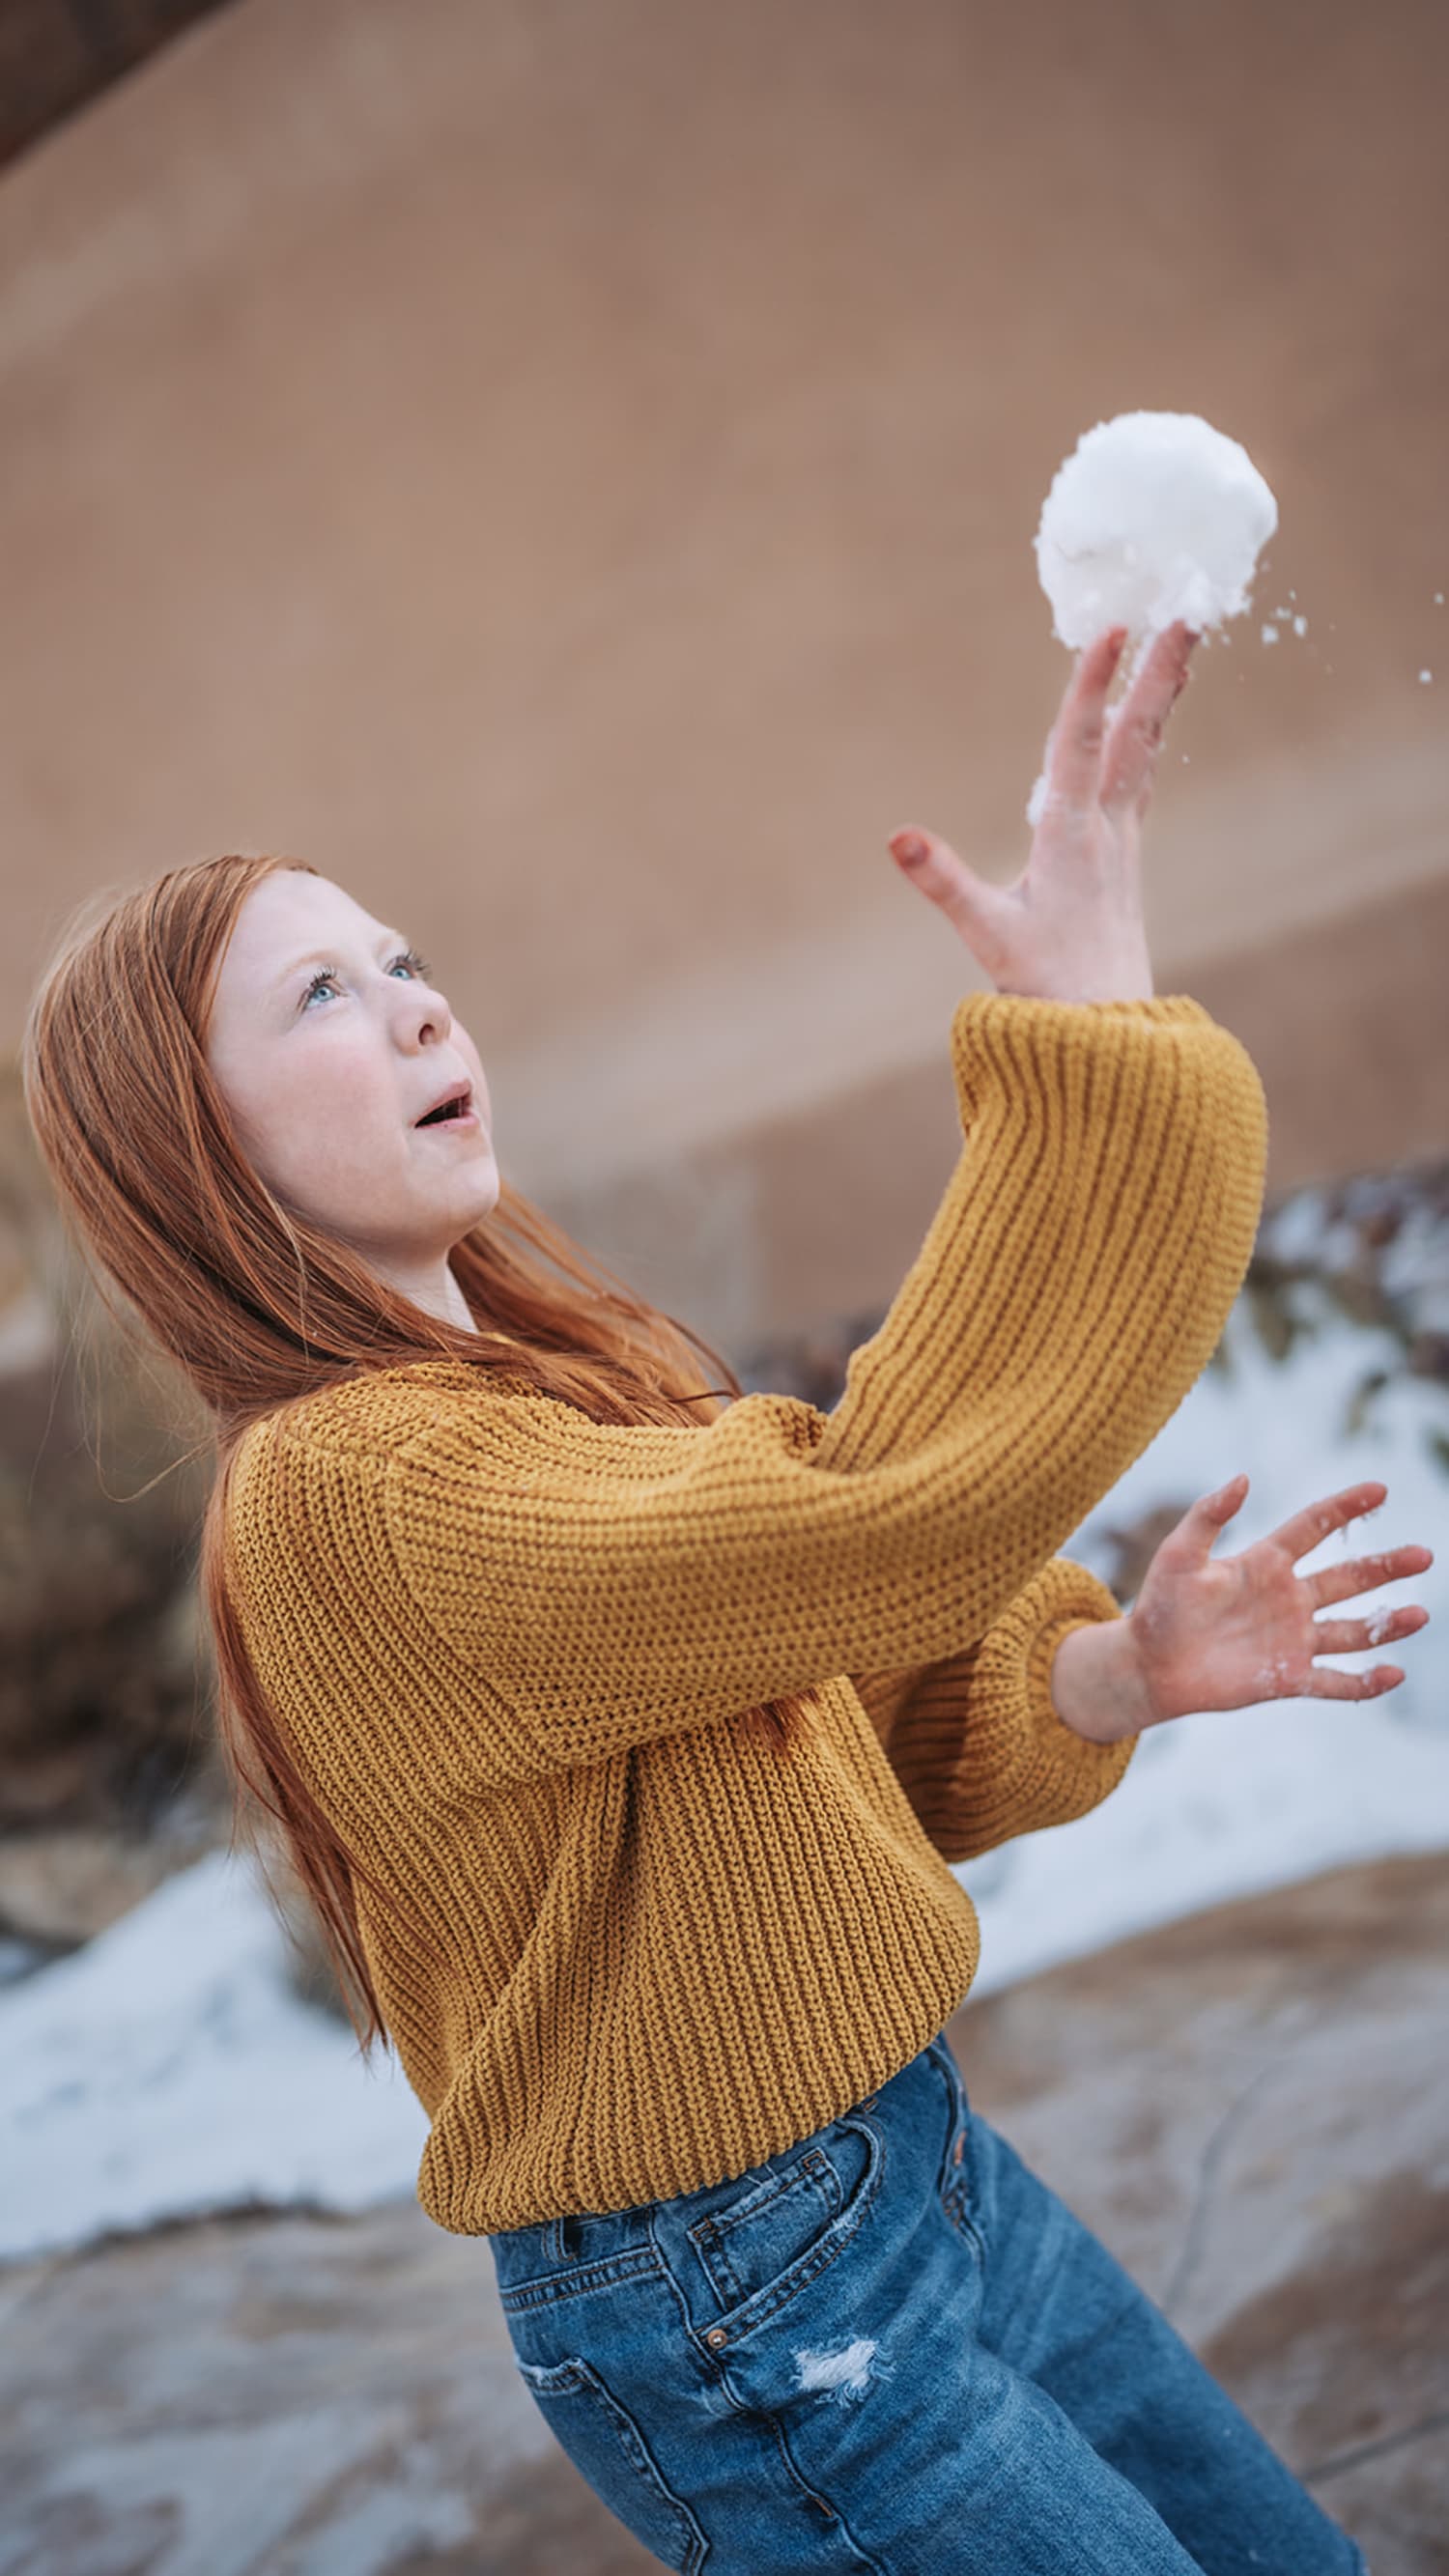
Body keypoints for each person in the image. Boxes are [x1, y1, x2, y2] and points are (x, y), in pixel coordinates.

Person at [22, 620, 1426, 2573]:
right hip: (753, 2306)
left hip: (913, 2171)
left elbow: (808, 1723)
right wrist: (1089, 1058)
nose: (423, 1008)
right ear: (197, 1152)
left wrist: (1105, 1671)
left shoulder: (544, 1388)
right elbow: (880, 1513)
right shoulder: (354, 1490)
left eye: (406, 958)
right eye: (324, 994)